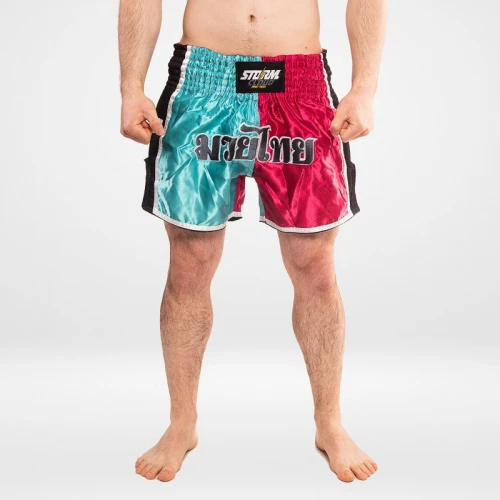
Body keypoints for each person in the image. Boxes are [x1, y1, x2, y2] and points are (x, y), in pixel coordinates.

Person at [118, 0, 386, 483]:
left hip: (300, 85)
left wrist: (364, 87)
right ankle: (182, 422)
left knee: (315, 267)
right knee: (189, 263)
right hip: (202, 84)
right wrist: (130, 87)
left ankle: (329, 422)